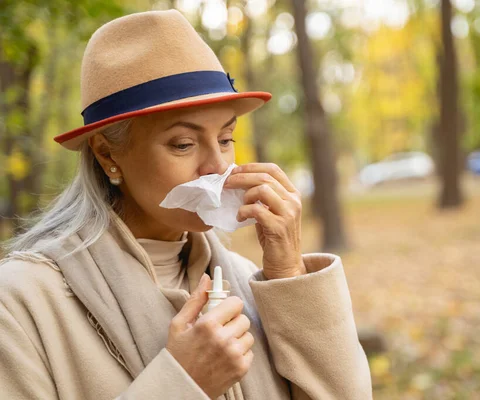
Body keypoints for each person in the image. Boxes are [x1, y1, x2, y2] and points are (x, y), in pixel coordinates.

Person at [0, 9, 371, 400]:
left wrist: (290, 276)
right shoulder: (22, 302)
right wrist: (182, 383)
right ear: (108, 154)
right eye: (183, 144)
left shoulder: (250, 282)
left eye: (226, 139)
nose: (218, 166)